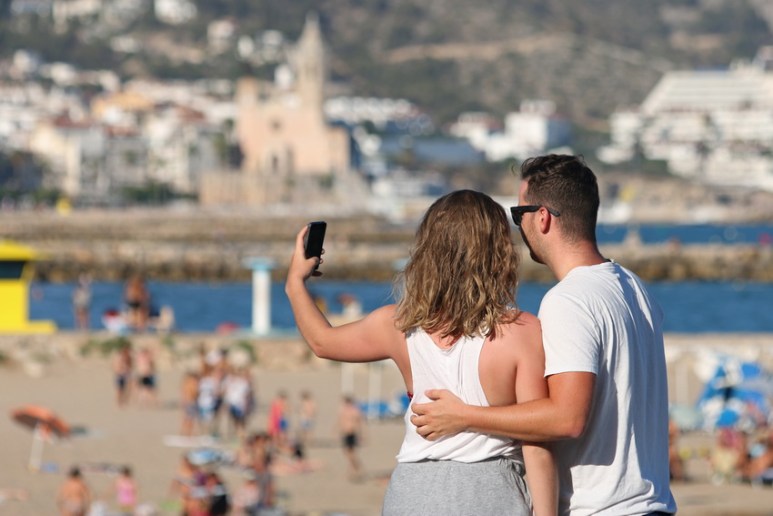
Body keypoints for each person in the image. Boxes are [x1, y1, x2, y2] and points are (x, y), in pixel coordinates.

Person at [410, 155, 677, 515]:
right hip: (651, 503)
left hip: (600, 507)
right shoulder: (633, 288)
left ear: (543, 217)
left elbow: (566, 418)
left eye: (518, 215)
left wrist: (464, 416)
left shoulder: (569, 300)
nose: (517, 228)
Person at [285, 190, 556, 515]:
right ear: (499, 253)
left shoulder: (399, 324)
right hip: (488, 489)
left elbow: (322, 342)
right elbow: (537, 441)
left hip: (413, 491)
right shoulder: (521, 332)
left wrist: (295, 283)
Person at [338, 396, 364, 481]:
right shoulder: (343, 410)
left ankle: (354, 469)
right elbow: (340, 421)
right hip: (345, 433)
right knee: (347, 453)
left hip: (352, 433)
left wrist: (361, 435)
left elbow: (359, 423)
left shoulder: (354, 411)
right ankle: (354, 468)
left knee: (351, 453)